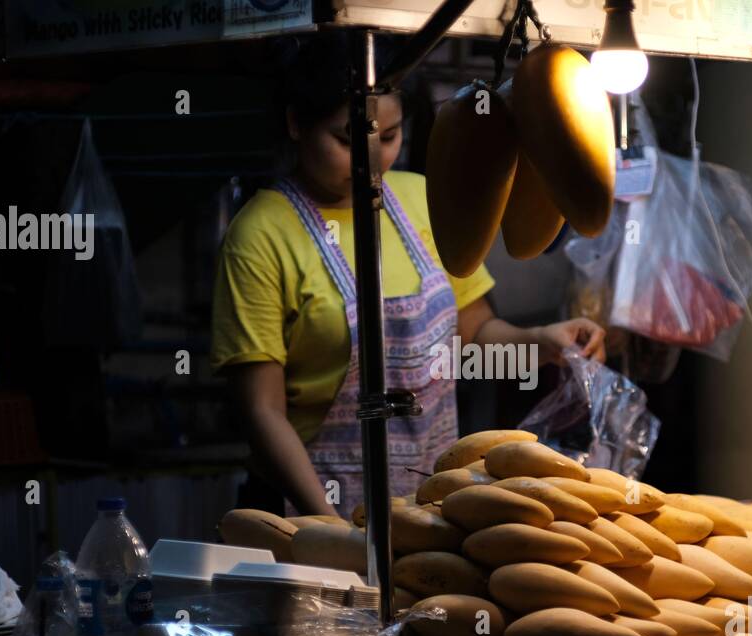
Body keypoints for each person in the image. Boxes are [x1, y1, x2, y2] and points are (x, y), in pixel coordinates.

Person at [211, 35, 605, 519]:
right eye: (345, 139)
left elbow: (471, 334)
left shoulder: (420, 197)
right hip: (309, 510)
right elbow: (262, 411)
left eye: (391, 135)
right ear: (296, 124)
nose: (373, 158)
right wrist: (331, 526)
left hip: (427, 507)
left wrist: (541, 341)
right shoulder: (260, 234)